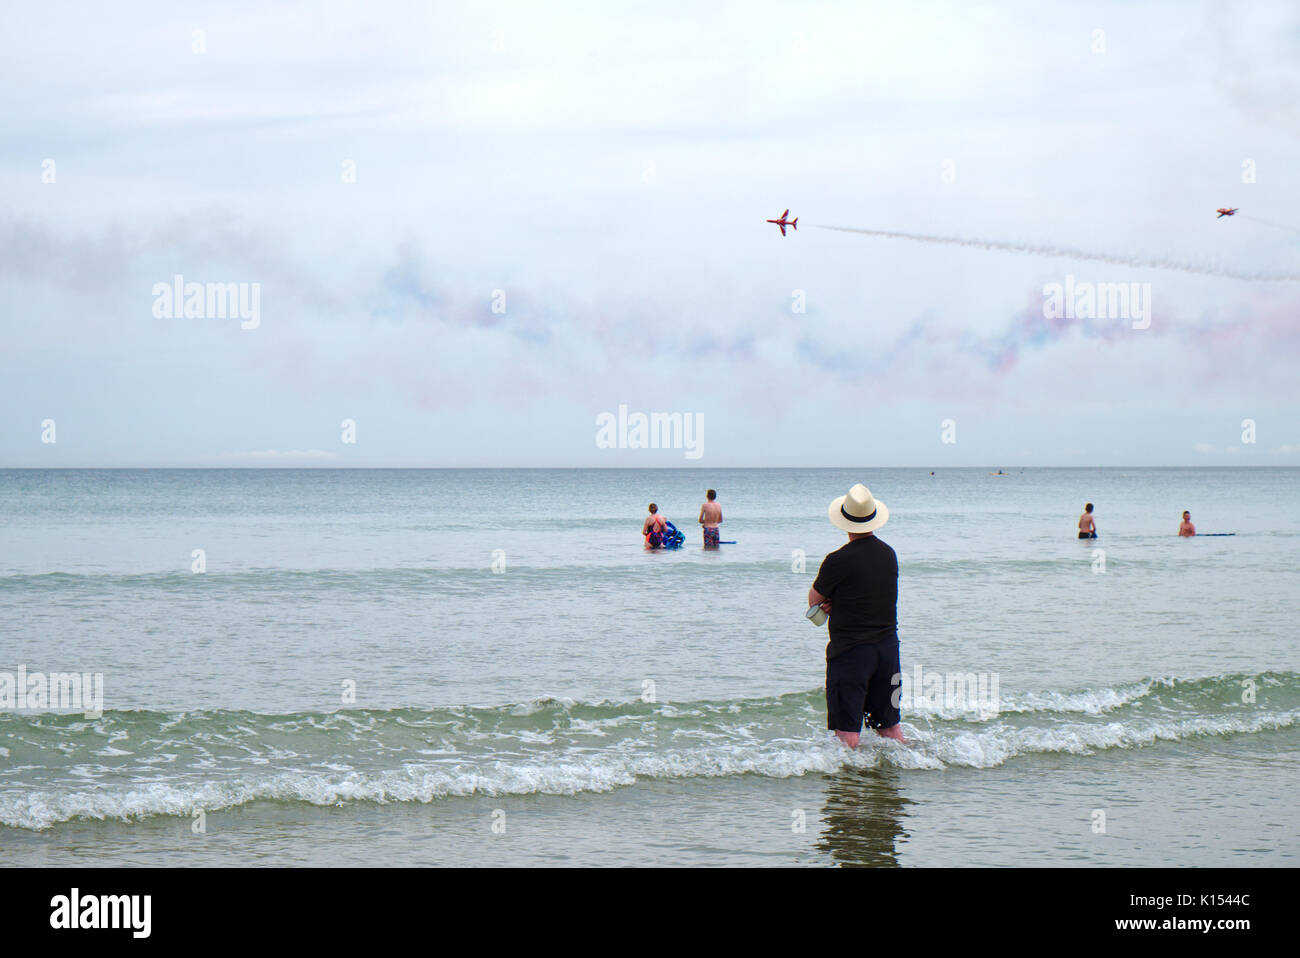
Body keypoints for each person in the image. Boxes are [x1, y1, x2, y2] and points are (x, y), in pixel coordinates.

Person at [807, 483, 906, 747]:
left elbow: (814, 601)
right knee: (890, 729)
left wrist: (831, 602)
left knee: (847, 733)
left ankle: (846, 787)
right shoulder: (889, 554)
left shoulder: (837, 560)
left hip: (851, 653)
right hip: (888, 651)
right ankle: (895, 783)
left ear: (844, 521)